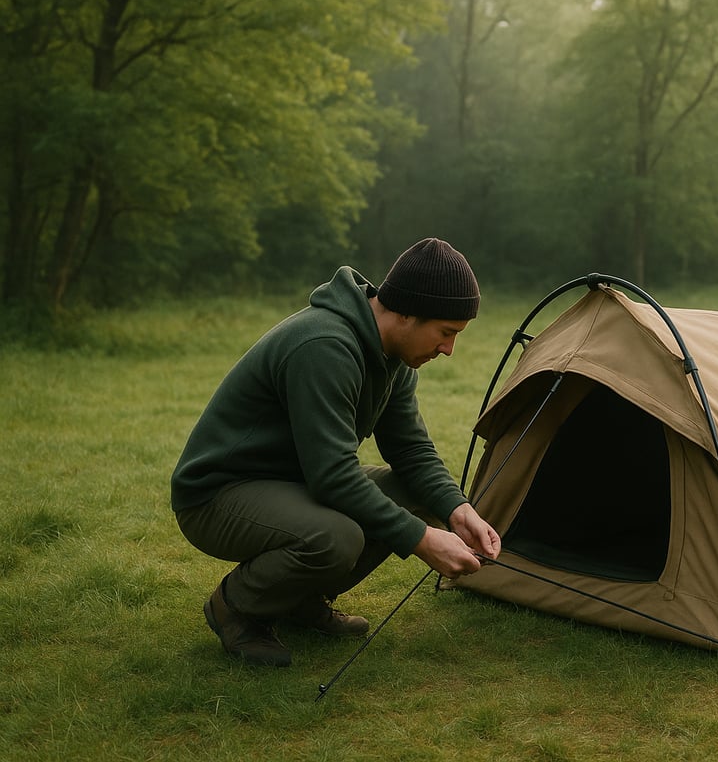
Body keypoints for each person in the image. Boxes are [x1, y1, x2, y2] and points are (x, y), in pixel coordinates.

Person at [170, 238, 501, 667]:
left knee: (415, 493)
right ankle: (236, 608)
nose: (448, 349)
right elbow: (332, 476)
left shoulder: (395, 355)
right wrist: (421, 540)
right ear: (405, 312)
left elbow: (411, 449)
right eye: (445, 332)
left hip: (292, 484)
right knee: (335, 538)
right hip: (218, 495)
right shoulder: (324, 344)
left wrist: (458, 510)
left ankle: (298, 602)